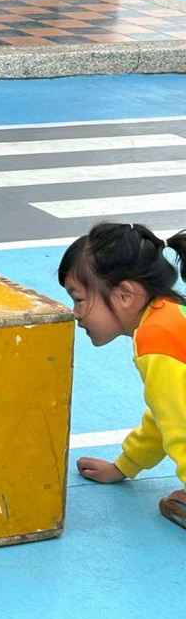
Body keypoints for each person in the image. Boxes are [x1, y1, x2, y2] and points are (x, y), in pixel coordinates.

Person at [58, 222, 186, 531]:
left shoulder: (156, 340)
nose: (75, 313)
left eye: (79, 299)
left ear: (125, 295)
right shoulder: (171, 315)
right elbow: (165, 415)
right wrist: (124, 466)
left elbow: (180, 429)